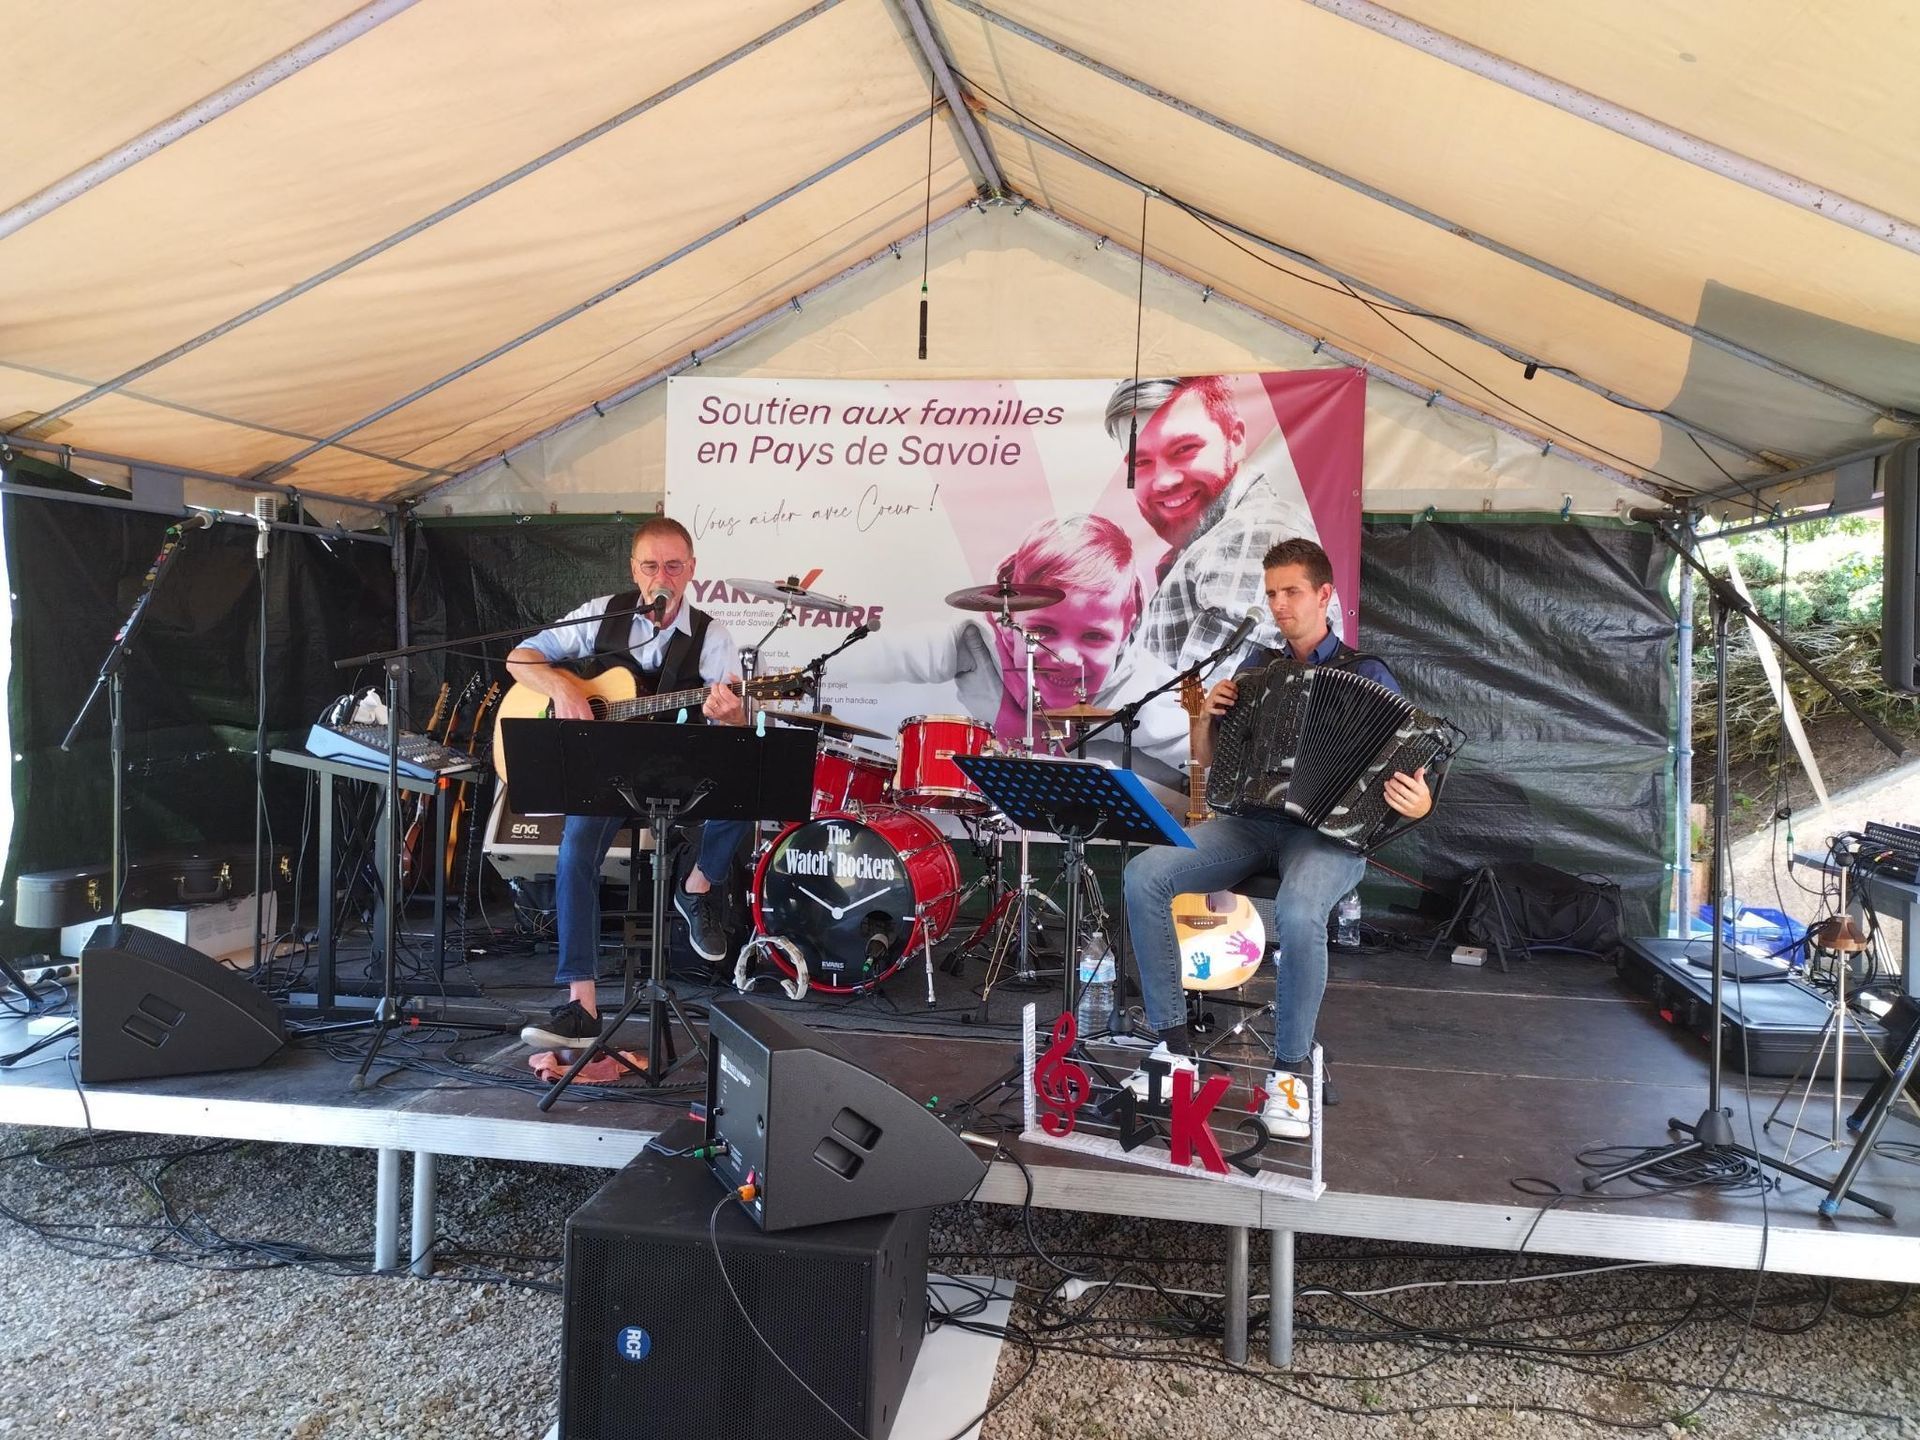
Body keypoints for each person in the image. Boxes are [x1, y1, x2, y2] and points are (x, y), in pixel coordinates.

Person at [1120, 538, 1430, 1139]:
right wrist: (1205, 718)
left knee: (1299, 908)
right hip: (1254, 822)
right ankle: (1173, 1049)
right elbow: (1209, 767)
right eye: (1271, 594)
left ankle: (1289, 1074)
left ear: (1324, 594)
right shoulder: (1256, 670)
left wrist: (1422, 802)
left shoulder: (1367, 673)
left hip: (1330, 834)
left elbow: (1411, 769)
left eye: (1291, 592)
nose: (1279, 605)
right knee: (1145, 873)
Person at [505, 517, 747, 1049]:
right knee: (575, 851)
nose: (663, 577)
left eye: (674, 566)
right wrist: (563, 689)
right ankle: (582, 1004)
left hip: (677, 775)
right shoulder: (602, 614)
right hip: (607, 773)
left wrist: (730, 716)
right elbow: (520, 657)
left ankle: (697, 885)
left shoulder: (712, 637)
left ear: (692, 570)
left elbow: (734, 728)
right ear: (634, 569)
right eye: (651, 565)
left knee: (748, 781)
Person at [830, 514, 1190, 787]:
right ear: (1007, 618)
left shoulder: (1144, 691)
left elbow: (1203, 759)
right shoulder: (974, 642)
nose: (1066, 657)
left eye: (1094, 637)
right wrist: (820, 671)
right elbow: (876, 656)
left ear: (1127, 629)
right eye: (1043, 630)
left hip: (1088, 820)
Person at [1106, 376, 1331, 675]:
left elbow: (1204, 693)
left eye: (1184, 449)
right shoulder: (1213, 538)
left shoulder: (1250, 535)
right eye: (1140, 463)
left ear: (1235, 439)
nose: (1163, 481)